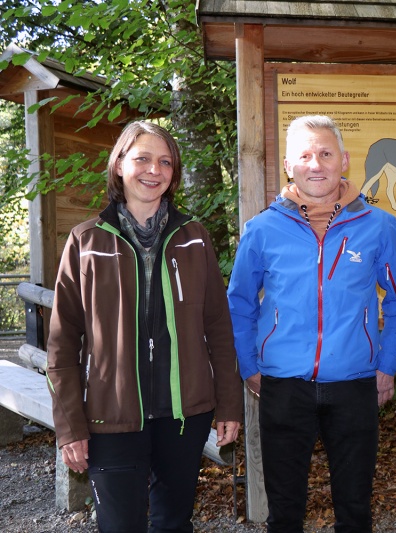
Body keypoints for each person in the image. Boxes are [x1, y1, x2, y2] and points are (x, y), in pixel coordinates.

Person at [47, 121, 243, 532]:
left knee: (174, 524)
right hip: (110, 416)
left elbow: (219, 330)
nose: (154, 169)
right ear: (119, 165)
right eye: (142, 158)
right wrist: (70, 427)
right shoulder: (86, 241)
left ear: (174, 173)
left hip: (184, 415)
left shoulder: (194, 238)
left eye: (165, 161)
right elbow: (62, 345)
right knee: (120, 526)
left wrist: (228, 404)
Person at [227, 115, 396, 532]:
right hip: (284, 383)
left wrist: (387, 362)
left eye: (325, 153)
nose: (316, 163)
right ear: (289, 165)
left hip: (355, 382)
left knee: (355, 508)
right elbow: (239, 303)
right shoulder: (262, 229)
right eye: (305, 155)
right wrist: (249, 365)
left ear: (343, 160)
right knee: (285, 512)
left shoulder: (379, 227)